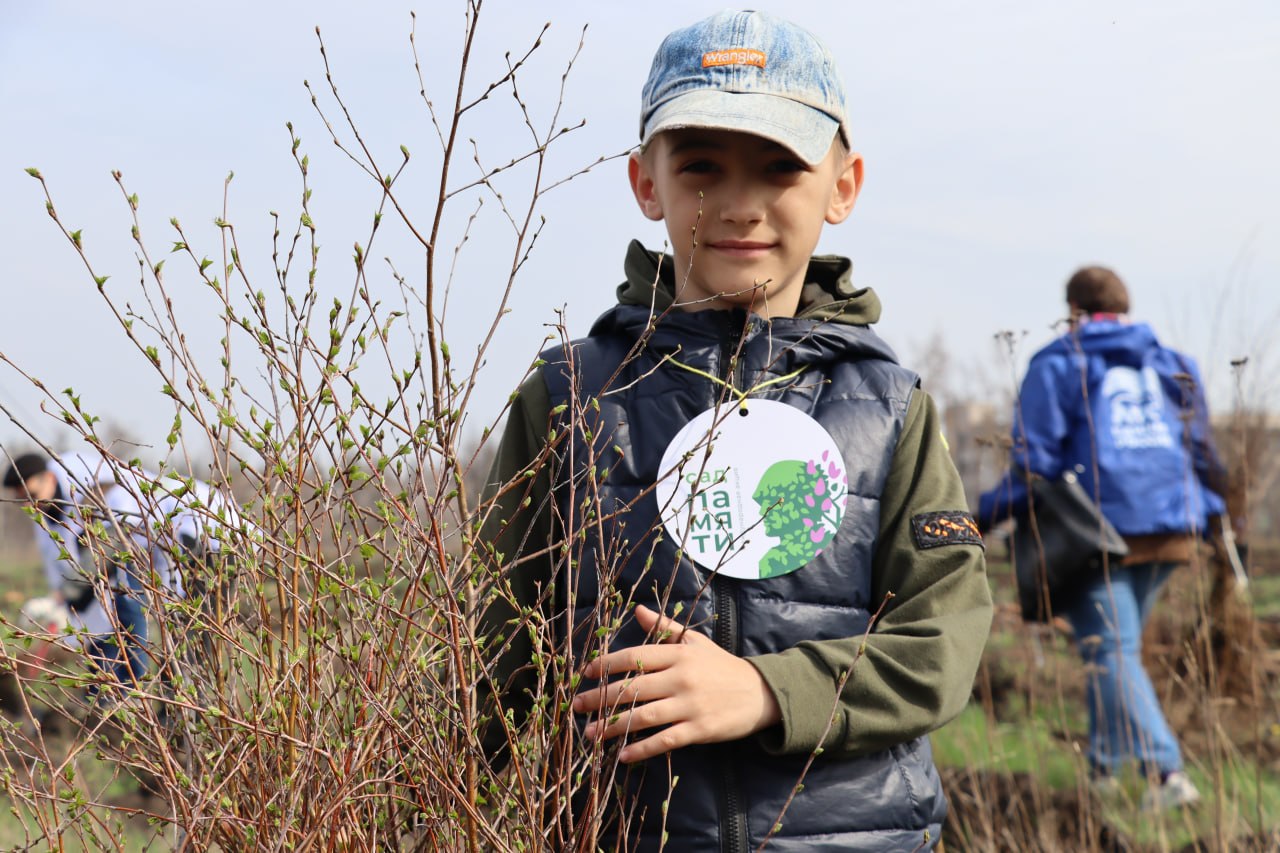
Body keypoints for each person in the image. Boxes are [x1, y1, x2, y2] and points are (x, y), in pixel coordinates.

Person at [478, 10, 993, 851]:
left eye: (780, 167)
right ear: (648, 182)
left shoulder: (890, 404)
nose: (741, 206)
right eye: (702, 167)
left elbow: (943, 641)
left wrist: (763, 690)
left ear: (843, 185)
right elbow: (496, 654)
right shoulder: (568, 393)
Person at [978, 265, 1227, 812]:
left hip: (1099, 534)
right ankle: (1102, 774)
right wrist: (1218, 516)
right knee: (1112, 648)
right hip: (1174, 528)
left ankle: (1167, 777)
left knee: (1112, 650)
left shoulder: (1059, 360)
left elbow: (1033, 462)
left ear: (1073, 311)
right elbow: (1204, 450)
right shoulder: (1172, 362)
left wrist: (980, 517)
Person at [3, 449, 240, 700]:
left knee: (189, 644)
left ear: (49, 479)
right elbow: (82, 577)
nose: (30, 506)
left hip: (209, 541)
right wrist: (63, 603)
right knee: (162, 634)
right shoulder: (54, 519)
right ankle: (121, 701)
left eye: (32, 496)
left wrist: (70, 596)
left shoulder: (99, 486)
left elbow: (107, 557)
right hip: (166, 553)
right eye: (22, 501)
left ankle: (172, 719)